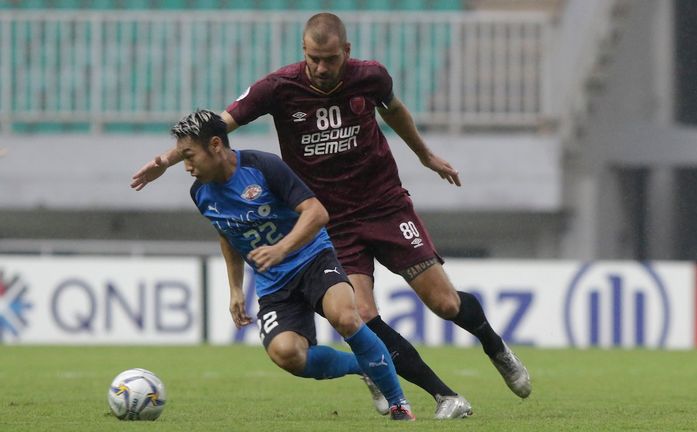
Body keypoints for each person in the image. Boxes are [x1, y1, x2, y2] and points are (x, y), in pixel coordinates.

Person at [132, 13, 531, 418]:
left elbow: (393, 111)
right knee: (361, 315)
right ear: (302, 51)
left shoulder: (371, 77)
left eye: (331, 59)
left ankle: (496, 348)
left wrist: (425, 155)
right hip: (330, 220)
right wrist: (165, 160)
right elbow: (214, 128)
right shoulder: (278, 87)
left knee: (444, 303)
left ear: (347, 52)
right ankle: (444, 396)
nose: (321, 68)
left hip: (384, 204)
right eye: (314, 58)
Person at [172, 109, 415, 420]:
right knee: (286, 354)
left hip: (312, 258)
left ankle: (399, 405)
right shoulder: (200, 193)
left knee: (346, 316)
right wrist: (235, 289)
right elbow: (226, 233)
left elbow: (317, 212)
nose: (187, 166)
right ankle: (365, 368)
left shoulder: (262, 166)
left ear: (216, 145)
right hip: (273, 282)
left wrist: (282, 248)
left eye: (189, 156)